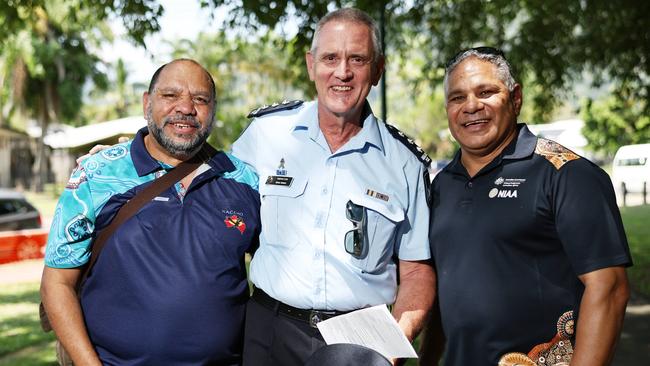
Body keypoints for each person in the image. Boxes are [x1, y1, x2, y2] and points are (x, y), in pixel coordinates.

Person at [232, 8, 434, 366]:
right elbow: (213, 203)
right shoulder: (265, 135)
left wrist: (390, 348)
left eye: (357, 59)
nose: (342, 72)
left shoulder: (404, 162)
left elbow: (417, 270)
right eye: (330, 58)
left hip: (360, 339)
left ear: (378, 69)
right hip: (268, 330)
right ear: (312, 65)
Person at [40, 59, 260, 365]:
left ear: (213, 109)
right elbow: (57, 283)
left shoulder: (245, 180)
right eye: (170, 96)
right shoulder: (98, 174)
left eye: (200, 99)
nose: (185, 107)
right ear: (147, 102)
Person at [421, 47, 632, 365]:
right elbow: (442, 292)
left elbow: (610, 290)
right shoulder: (441, 186)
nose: (472, 106)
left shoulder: (567, 174)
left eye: (486, 92)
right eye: (457, 97)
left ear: (515, 97)